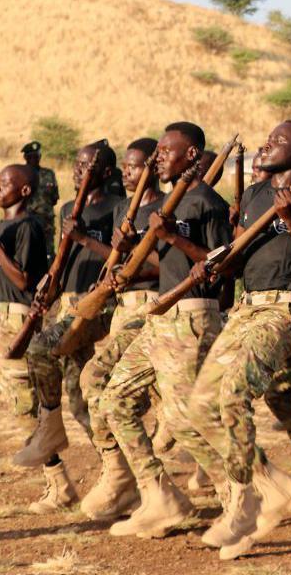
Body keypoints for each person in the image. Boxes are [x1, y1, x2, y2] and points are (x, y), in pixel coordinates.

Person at [187, 120, 291, 560]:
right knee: (201, 402)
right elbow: (237, 262)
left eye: (278, 141)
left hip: (288, 307)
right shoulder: (254, 196)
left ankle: (244, 501)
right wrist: (212, 266)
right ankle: (271, 485)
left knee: (235, 393)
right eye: (268, 138)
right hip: (248, 307)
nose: (266, 144)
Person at [101, 121, 232, 539]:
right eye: (156, 151)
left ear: (191, 155)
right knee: (114, 399)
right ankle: (159, 496)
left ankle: (238, 497)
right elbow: (150, 260)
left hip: (194, 314)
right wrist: (126, 247)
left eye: (165, 151)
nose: (158, 158)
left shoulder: (206, 203)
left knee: (182, 417)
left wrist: (172, 237)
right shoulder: (169, 204)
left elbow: (222, 271)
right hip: (161, 317)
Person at [18, 141, 124, 492]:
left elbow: (122, 261)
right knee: (81, 398)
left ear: (106, 173)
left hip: (100, 303)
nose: (78, 172)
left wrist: (84, 238)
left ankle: (49, 423)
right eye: (76, 165)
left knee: (38, 349)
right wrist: (50, 287)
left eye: (86, 167)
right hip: (68, 304)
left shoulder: (117, 207)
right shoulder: (66, 207)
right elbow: (62, 259)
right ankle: (120, 472)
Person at [76, 137, 167, 521]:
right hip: (123, 308)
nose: (128, 173)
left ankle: (125, 474)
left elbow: (164, 269)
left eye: (134, 166)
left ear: (151, 167)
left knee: (95, 379)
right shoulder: (125, 210)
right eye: (126, 167)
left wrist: (127, 263)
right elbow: (120, 264)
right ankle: (126, 475)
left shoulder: (165, 208)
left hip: (151, 306)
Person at [0, 165, 50, 509]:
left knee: (24, 408)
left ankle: (58, 480)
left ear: (25, 192)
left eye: (5, 185)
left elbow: (23, 280)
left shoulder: (27, 226)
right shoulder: (1, 227)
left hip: (15, 320)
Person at [21, 141, 59, 257]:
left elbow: (55, 198)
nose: (35, 159)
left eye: (37, 156)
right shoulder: (20, 174)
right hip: (26, 222)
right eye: (31, 156)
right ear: (25, 157)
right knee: (26, 254)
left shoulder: (49, 174)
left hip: (46, 222)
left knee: (48, 255)